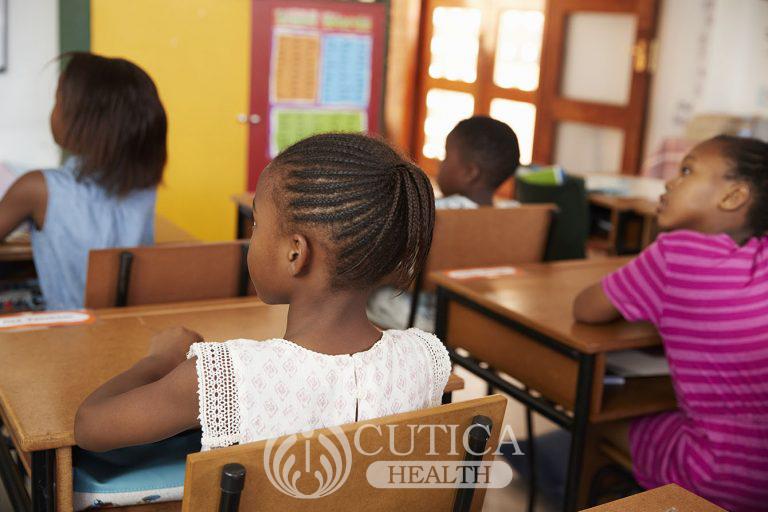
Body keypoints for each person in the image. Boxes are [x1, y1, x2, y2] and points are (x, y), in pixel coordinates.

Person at [71, 133, 450, 509]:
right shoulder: (424, 359)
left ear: (295, 253)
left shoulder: (227, 375)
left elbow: (89, 427)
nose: (251, 237)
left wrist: (159, 359)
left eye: (256, 224)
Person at [574, 135, 768, 511]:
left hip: (716, 474)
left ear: (733, 196)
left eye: (687, 170)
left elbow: (587, 309)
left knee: (592, 419)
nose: (670, 182)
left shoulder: (674, 254)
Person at [0, 52, 166, 310]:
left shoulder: (37, 188)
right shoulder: (144, 185)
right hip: (132, 327)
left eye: (57, 101)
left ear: (84, 120)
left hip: (67, 334)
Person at [367, 116, 521, 330]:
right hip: (476, 316)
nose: (441, 163)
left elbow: (397, 273)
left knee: (359, 293)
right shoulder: (514, 216)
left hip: (422, 318)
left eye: (447, 156)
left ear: (470, 173)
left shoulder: (438, 213)